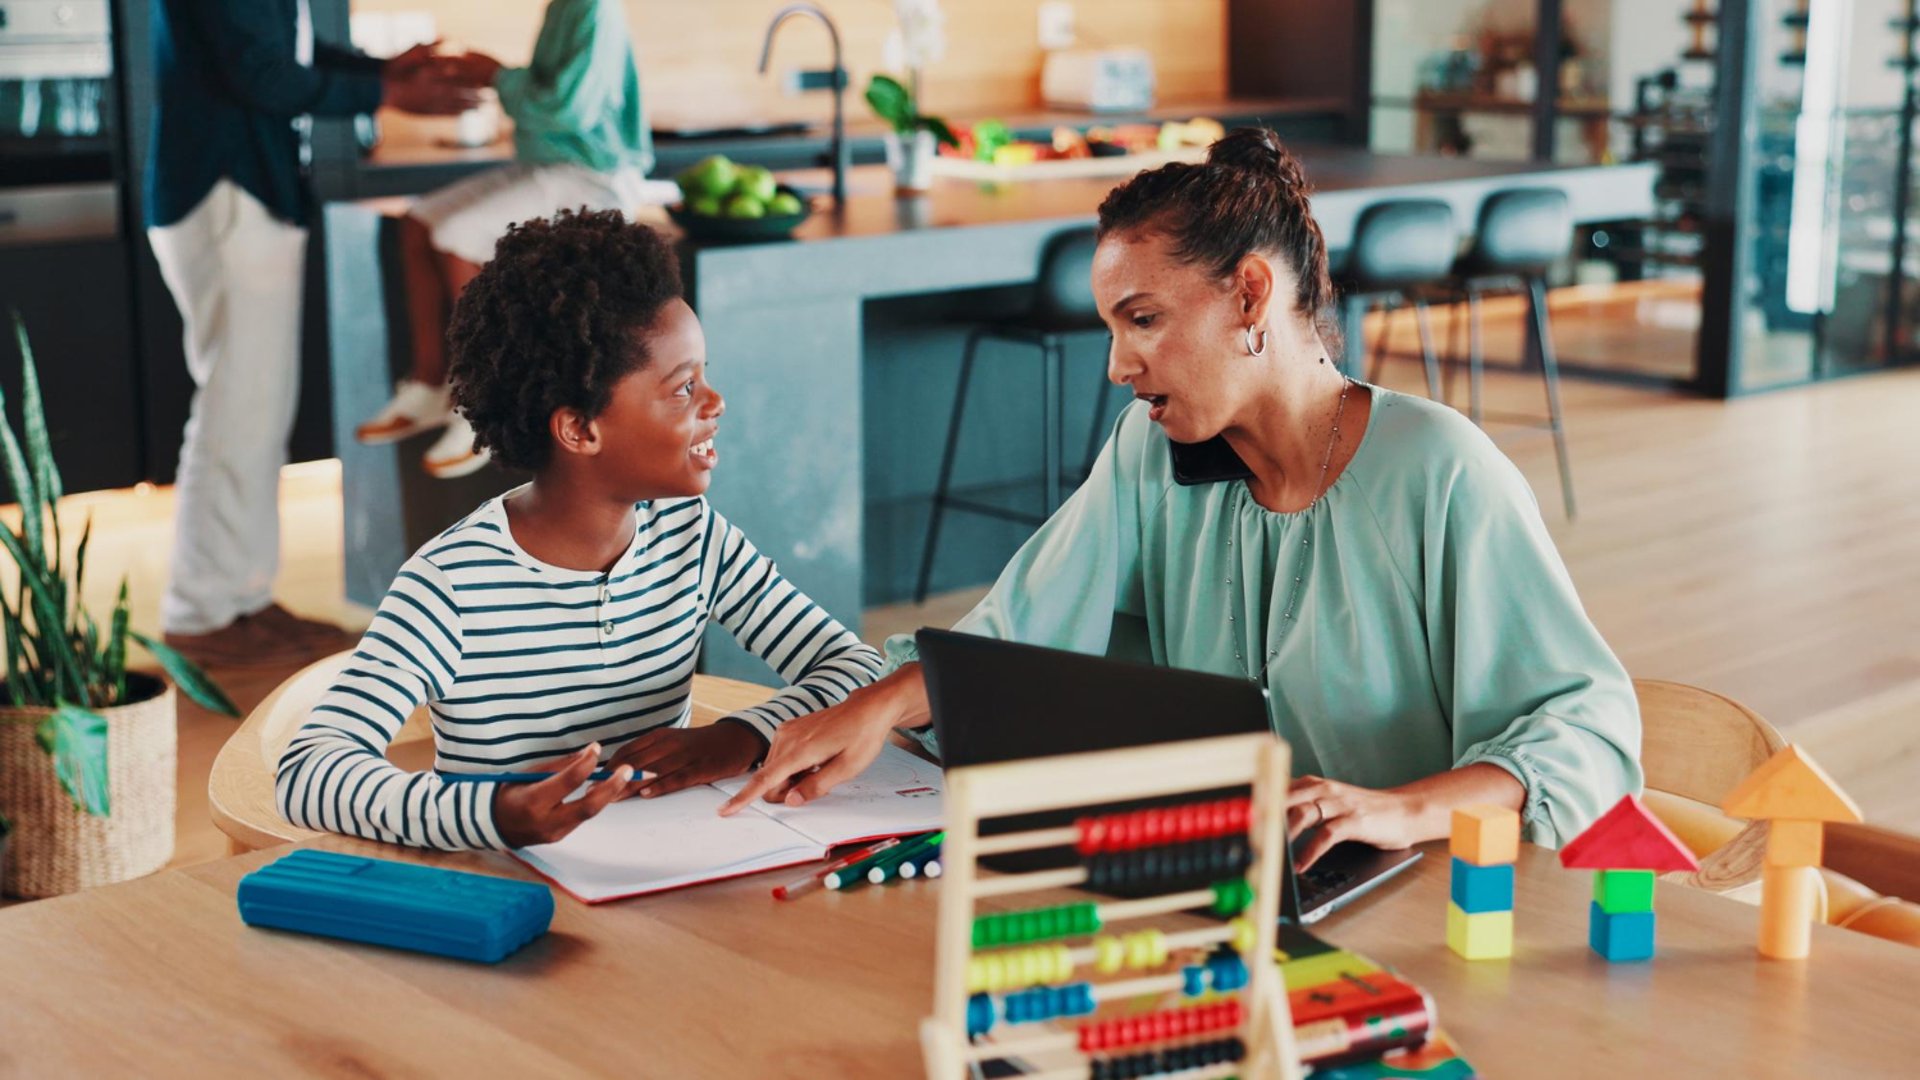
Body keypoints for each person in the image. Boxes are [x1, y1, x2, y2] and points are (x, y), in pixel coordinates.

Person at [721, 128, 1642, 868]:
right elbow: (1022, 629)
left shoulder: (1440, 471)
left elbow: (1585, 731)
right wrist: (877, 706)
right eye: (1114, 329)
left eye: (1145, 320)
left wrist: (1402, 810)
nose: (1120, 366)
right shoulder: (1152, 453)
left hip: (1431, 903)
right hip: (1225, 898)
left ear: (1250, 295)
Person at [277, 211, 882, 850]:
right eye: (683, 389)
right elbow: (309, 771)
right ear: (580, 431)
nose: (715, 402)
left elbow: (858, 669)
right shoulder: (451, 586)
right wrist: (491, 813)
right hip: (514, 894)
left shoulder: (693, 537)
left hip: (669, 875)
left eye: (703, 376)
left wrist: (741, 736)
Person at [149, 0, 485, 667]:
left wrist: (384, 69)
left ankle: (240, 600)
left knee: (256, 409)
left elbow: (290, 56)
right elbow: (263, 76)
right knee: (237, 408)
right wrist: (388, 90)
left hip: (245, 188)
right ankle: (201, 611)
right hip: (225, 191)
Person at [353, 0, 653, 480]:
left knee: (455, 235)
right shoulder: (566, 7)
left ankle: (480, 402)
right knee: (418, 221)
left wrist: (496, 75)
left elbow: (567, 109)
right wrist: (490, 75)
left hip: (593, 175)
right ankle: (432, 381)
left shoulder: (594, 8)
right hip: (547, 165)